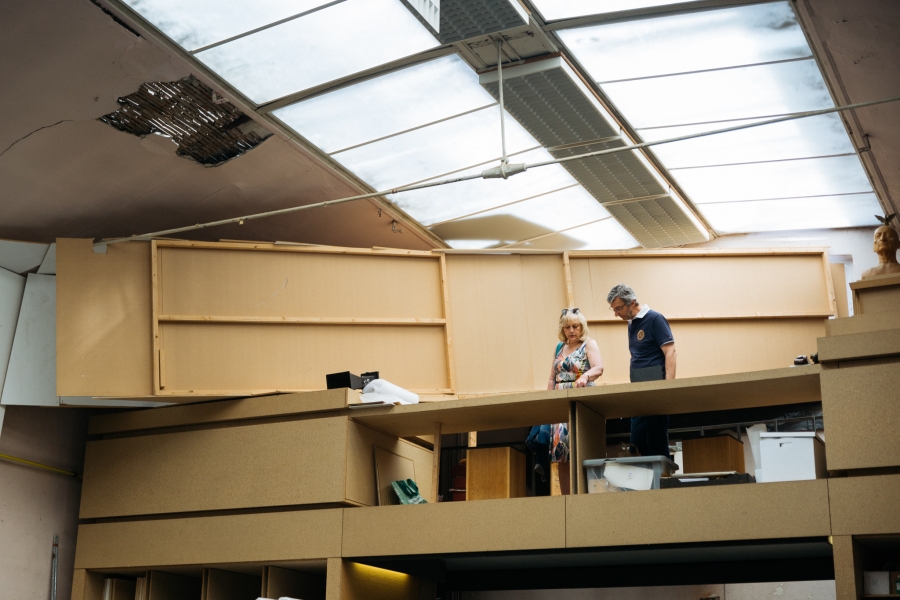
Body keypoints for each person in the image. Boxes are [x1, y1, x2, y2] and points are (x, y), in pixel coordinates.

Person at [526, 308, 604, 492]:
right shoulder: (559, 347)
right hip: (561, 403)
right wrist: (549, 402)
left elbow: (599, 368)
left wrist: (585, 377)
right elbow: (552, 378)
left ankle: (587, 496)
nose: (572, 330)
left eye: (575, 326)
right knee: (562, 456)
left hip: (582, 400)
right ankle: (567, 499)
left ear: (582, 327)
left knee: (583, 450)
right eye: (567, 327)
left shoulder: (589, 344)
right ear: (562, 328)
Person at [607, 284, 676, 458]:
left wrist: (668, 388)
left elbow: (670, 351)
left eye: (619, 308)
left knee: (656, 441)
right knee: (636, 444)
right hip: (638, 391)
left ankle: (662, 475)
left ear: (632, 302)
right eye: (614, 310)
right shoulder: (632, 323)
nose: (616, 314)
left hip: (656, 389)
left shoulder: (655, 319)